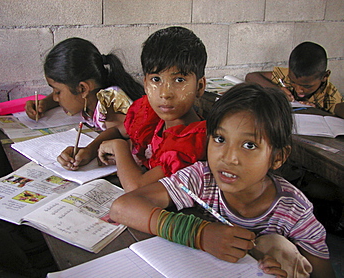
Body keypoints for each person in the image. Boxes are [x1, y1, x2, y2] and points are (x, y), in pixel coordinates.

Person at [110, 83, 335, 278]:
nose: (228, 158)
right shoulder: (201, 180)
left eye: (249, 145)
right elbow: (122, 208)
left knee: (276, 247)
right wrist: (200, 234)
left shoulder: (293, 210)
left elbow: (324, 274)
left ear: (277, 157)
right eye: (219, 139)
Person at [58, 26, 208, 191]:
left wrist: (119, 148)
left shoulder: (191, 142)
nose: (165, 93)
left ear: (199, 87)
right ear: (145, 84)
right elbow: (118, 131)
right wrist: (88, 151)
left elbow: (137, 188)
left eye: (179, 80)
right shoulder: (153, 112)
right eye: (156, 79)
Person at [25, 37, 145, 166]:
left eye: (57, 92)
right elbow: (68, 94)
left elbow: (118, 134)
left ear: (82, 88)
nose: (55, 98)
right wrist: (44, 104)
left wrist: (90, 150)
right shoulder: (91, 95)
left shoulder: (111, 101)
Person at [245, 41, 344, 118]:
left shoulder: (330, 94)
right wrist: (277, 90)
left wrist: (316, 111)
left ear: (324, 77)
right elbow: (251, 77)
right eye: (293, 82)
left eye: (307, 86)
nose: (298, 90)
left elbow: (339, 109)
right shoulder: (287, 75)